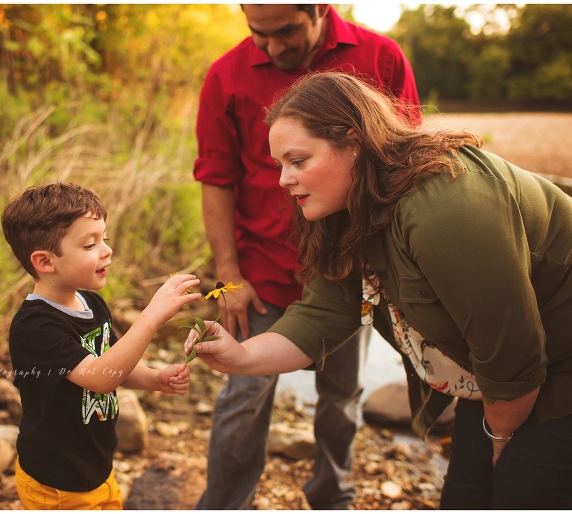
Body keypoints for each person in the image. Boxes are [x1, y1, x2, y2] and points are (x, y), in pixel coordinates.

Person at [187, 71, 572, 509]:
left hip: (565, 362)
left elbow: (513, 357)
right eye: (279, 164)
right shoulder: (343, 209)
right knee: (467, 495)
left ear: (354, 142)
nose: (283, 179)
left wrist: (503, 443)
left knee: (519, 493)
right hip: (500, 377)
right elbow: (321, 315)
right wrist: (240, 356)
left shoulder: (445, 204)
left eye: (298, 161)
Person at [193, 4, 420, 509]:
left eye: (286, 32)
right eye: (258, 34)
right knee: (241, 398)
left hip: (350, 272)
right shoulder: (225, 76)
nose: (273, 47)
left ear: (318, 8)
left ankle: (331, 496)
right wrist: (228, 277)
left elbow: (405, 160)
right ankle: (224, 505)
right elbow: (215, 177)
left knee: (341, 398)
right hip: (261, 272)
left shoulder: (380, 56)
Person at [1, 182, 202, 509]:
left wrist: (153, 378)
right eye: (90, 244)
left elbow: (112, 361)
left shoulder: (92, 303)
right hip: (56, 483)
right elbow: (100, 376)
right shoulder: (35, 326)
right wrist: (150, 317)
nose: (107, 250)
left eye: (104, 239)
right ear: (46, 262)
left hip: (96, 467)